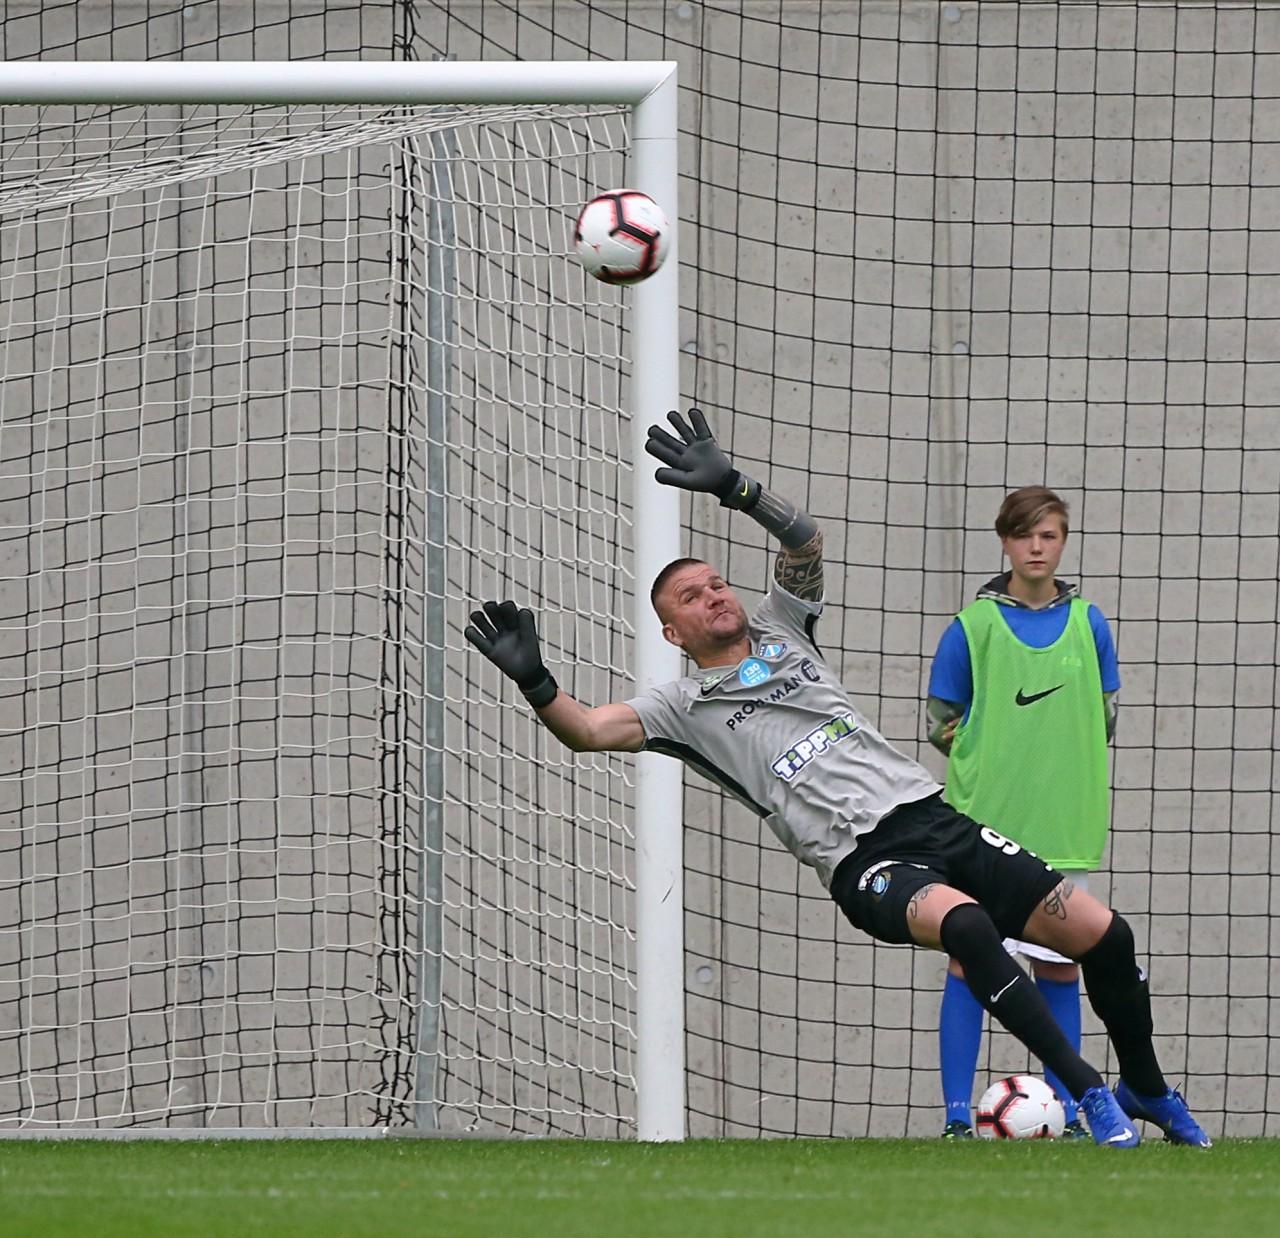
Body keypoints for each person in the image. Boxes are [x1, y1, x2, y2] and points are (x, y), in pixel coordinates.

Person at [464, 409, 1210, 1148]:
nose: (714, 596)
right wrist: (536, 683)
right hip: (865, 860)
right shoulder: (679, 707)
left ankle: (1145, 1089)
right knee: (967, 927)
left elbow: (805, 541)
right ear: (672, 632)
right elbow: (588, 731)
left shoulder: (783, 629)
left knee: (1105, 936)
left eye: (717, 583)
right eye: (691, 597)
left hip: (934, 816)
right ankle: (1087, 1091)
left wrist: (736, 488)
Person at [925, 487, 1118, 1140]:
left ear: (1063, 542)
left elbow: (1105, 715)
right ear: (1005, 542)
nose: (1037, 547)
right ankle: (957, 1117)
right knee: (967, 964)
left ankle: (1066, 1110)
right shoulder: (971, 627)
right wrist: (996, 756)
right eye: (1024, 535)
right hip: (981, 829)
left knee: (1060, 966)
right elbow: (941, 724)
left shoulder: (1090, 624)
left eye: (1049, 535)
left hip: (1063, 827)